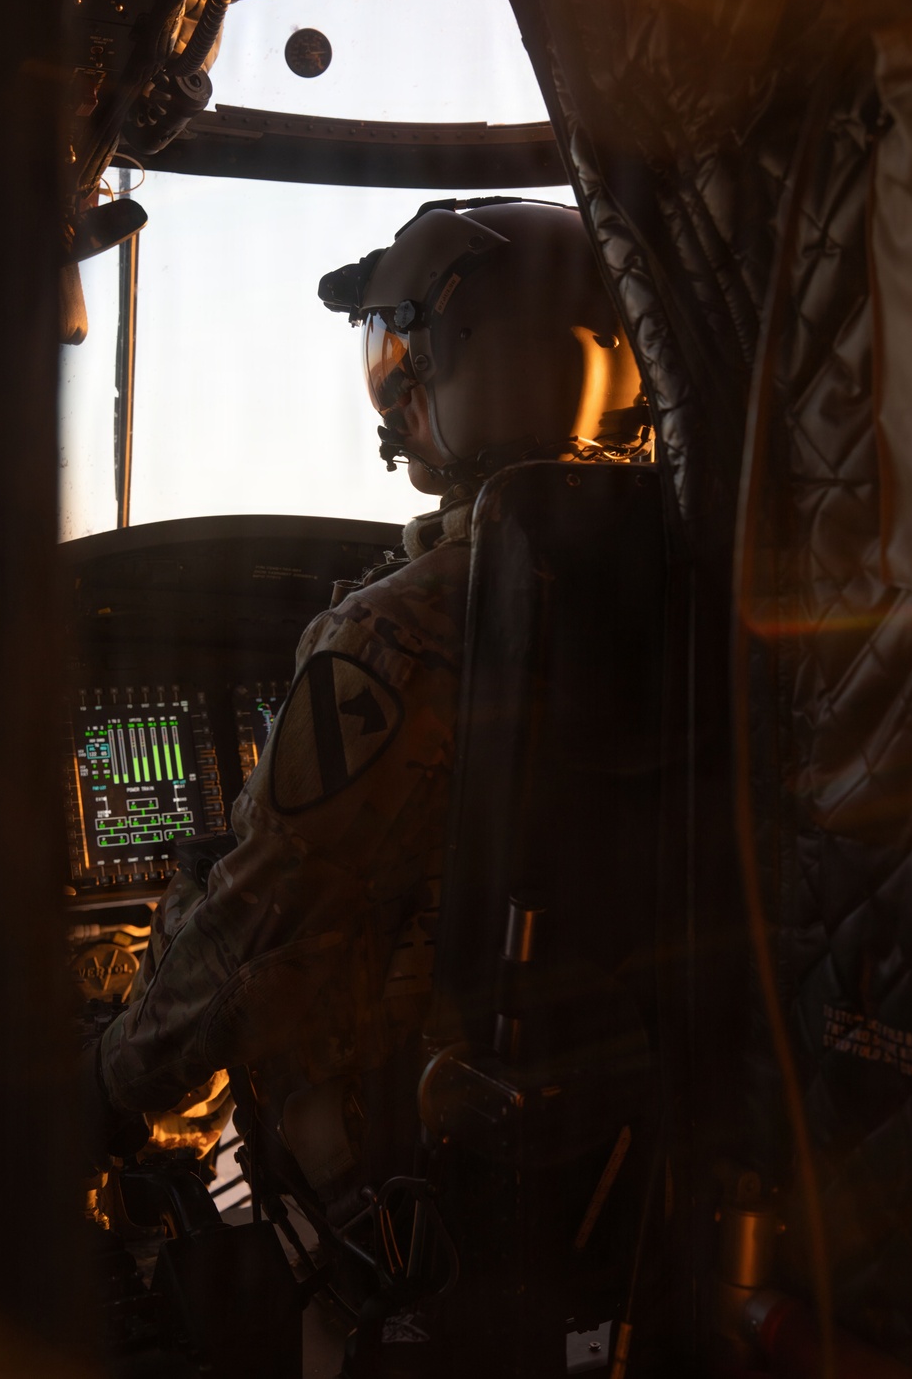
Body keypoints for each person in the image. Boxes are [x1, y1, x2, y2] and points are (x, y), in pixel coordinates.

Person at [90, 197, 652, 1223]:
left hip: (413, 1151)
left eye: (403, 362)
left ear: (480, 366)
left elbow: (264, 938)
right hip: (622, 1123)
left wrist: (106, 1087)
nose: (391, 400)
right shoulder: (686, 572)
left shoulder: (400, 632)